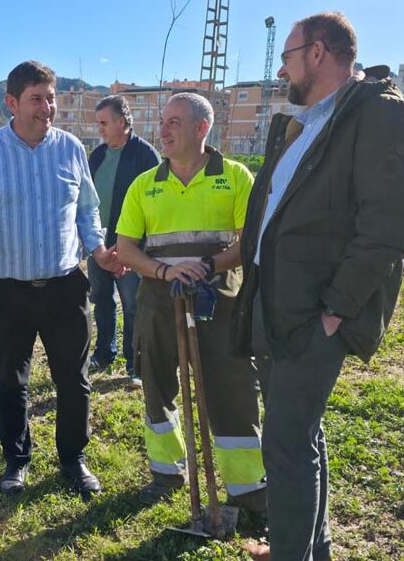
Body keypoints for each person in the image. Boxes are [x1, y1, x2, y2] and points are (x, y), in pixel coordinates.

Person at [231, 12, 404, 560]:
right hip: (276, 301)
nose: (283, 68)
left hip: (314, 313)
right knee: (299, 438)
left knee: (287, 443)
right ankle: (306, 548)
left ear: (318, 53)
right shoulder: (311, 120)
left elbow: (390, 226)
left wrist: (335, 312)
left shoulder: (379, 116)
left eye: (288, 56)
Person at [0, 60, 122, 500]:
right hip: (6, 291)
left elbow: (87, 209)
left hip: (65, 286)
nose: (48, 107)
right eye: (37, 98)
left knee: (74, 379)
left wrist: (98, 249)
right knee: (10, 378)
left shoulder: (70, 148)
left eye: (51, 97)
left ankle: (73, 458)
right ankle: (16, 460)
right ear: (12, 102)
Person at [115, 93, 266, 510]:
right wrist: (165, 271)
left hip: (219, 300)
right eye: (162, 122)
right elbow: (125, 248)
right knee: (157, 388)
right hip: (158, 300)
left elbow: (247, 241)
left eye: (175, 122)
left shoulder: (235, 177)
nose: (162, 130)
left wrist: (206, 265)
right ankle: (166, 473)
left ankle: (248, 488)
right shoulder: (145, 185)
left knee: (232, 389)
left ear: (203, 128)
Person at [87, 95, 160, 389]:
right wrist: (98, 244)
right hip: (99, 246)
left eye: (104, 123)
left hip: (132, 247)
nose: (100, 129)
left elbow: (155, 205)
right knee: (101, 299)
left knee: (133, 305)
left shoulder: (145, 155)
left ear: (122, 121)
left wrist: (128, 246)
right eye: (98, 124)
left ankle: (135, 363)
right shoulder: (97, 155)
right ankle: (105, 352)